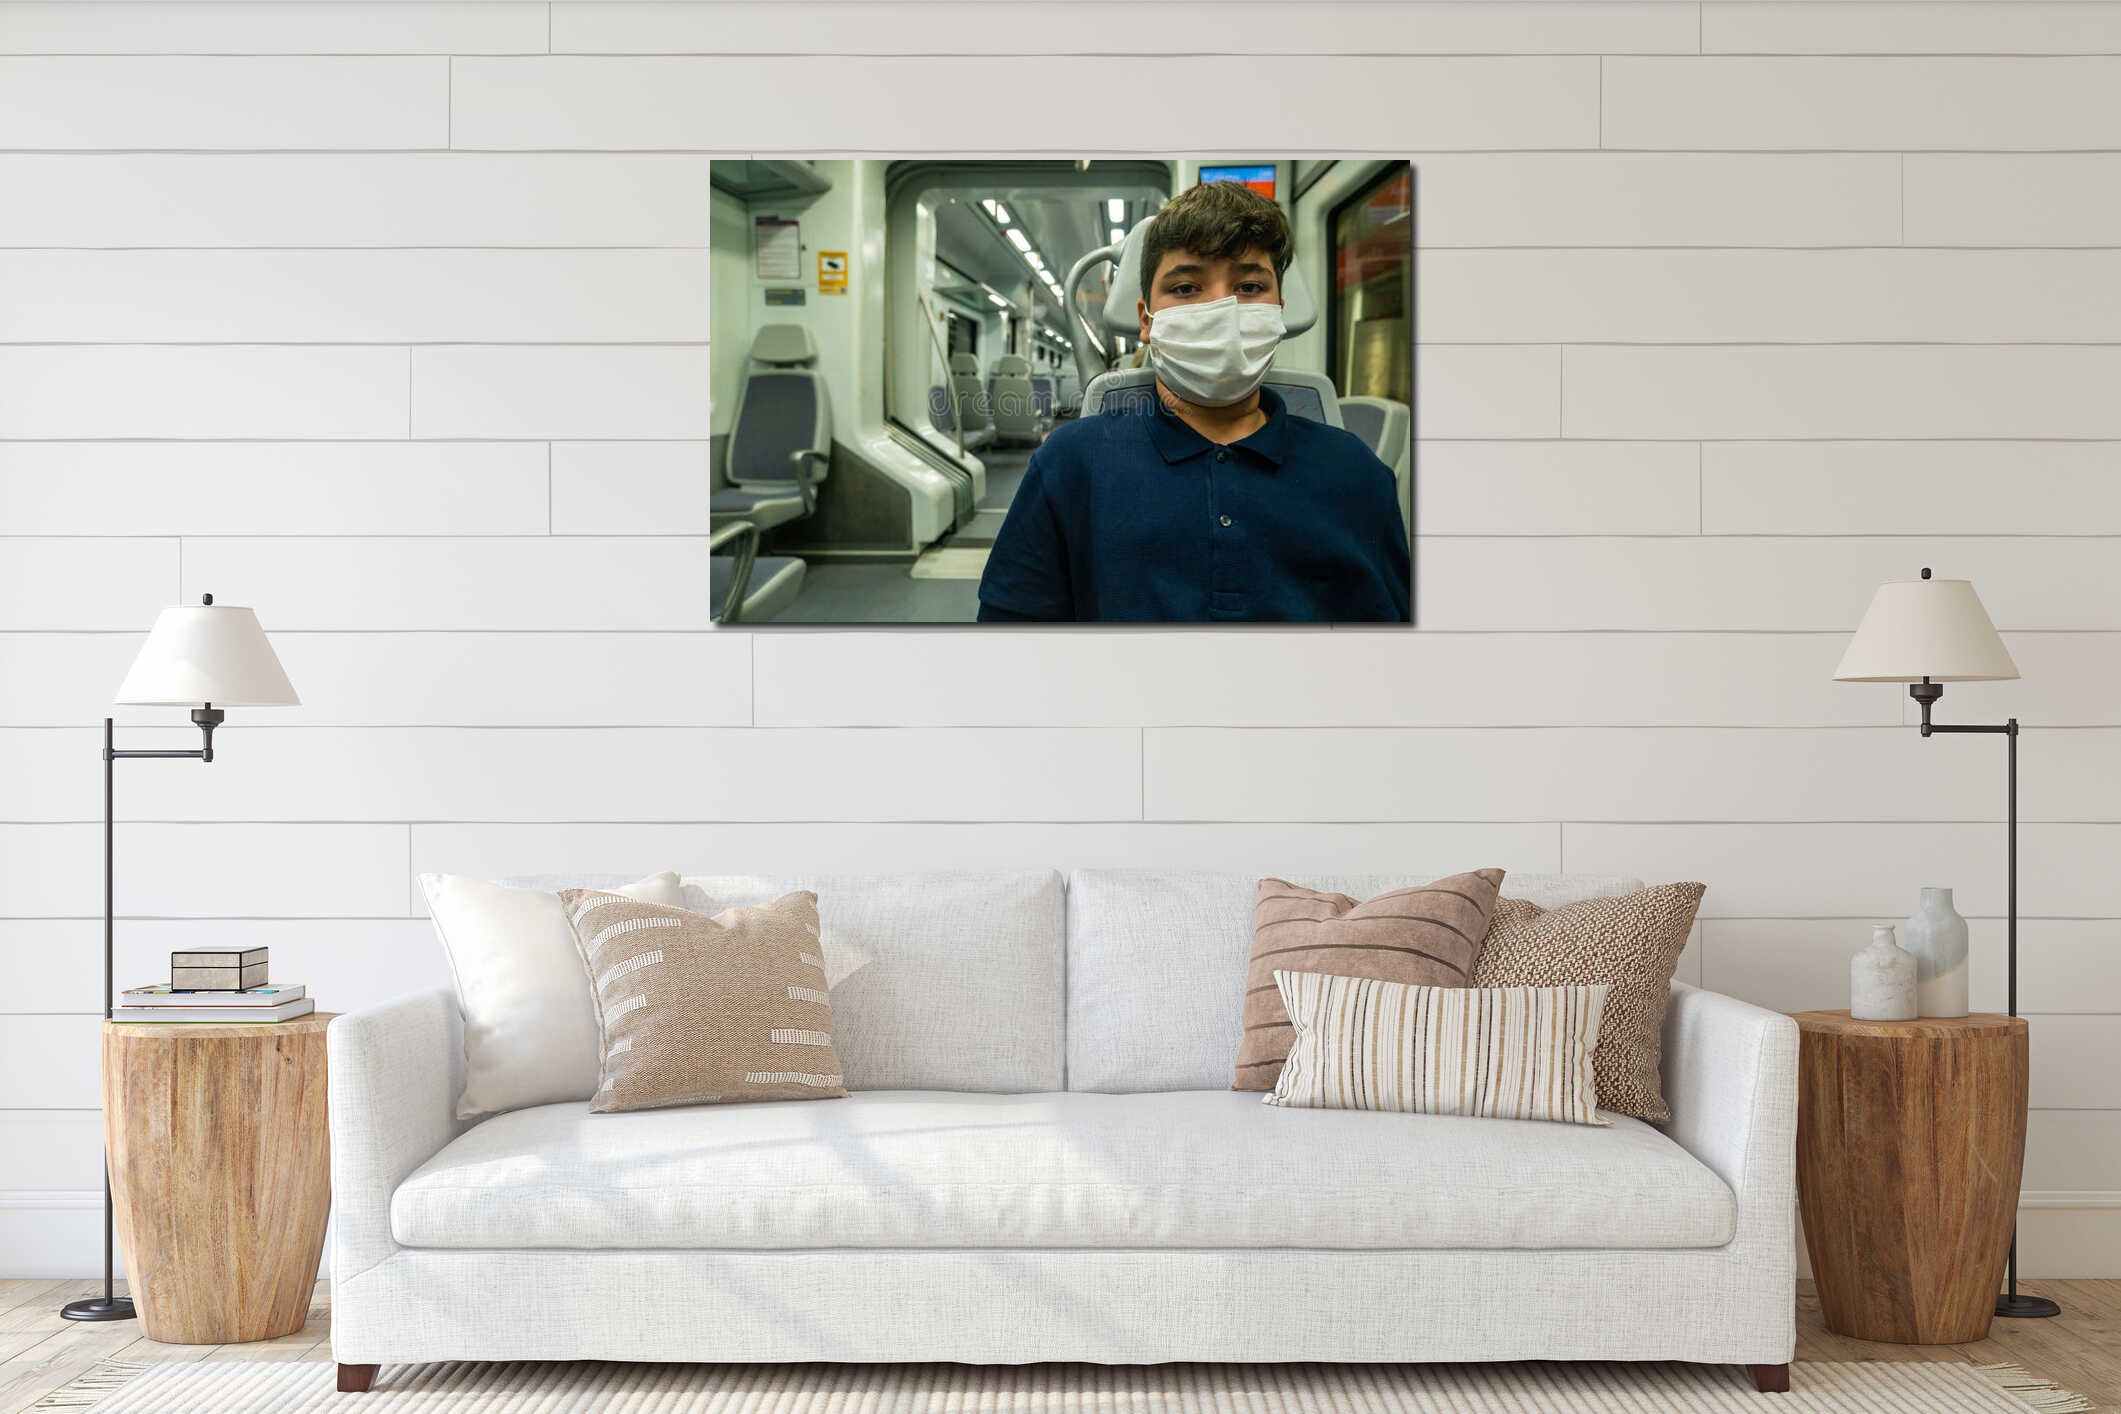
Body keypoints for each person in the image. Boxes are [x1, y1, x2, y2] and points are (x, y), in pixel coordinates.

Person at [976, 179, 1410, 623]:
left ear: (1279, 309)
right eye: (1185, 288)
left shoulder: (1355, 474)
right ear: (1146, 320)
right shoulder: (1069, 465)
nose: (1222, 310)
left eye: (1248, 287)